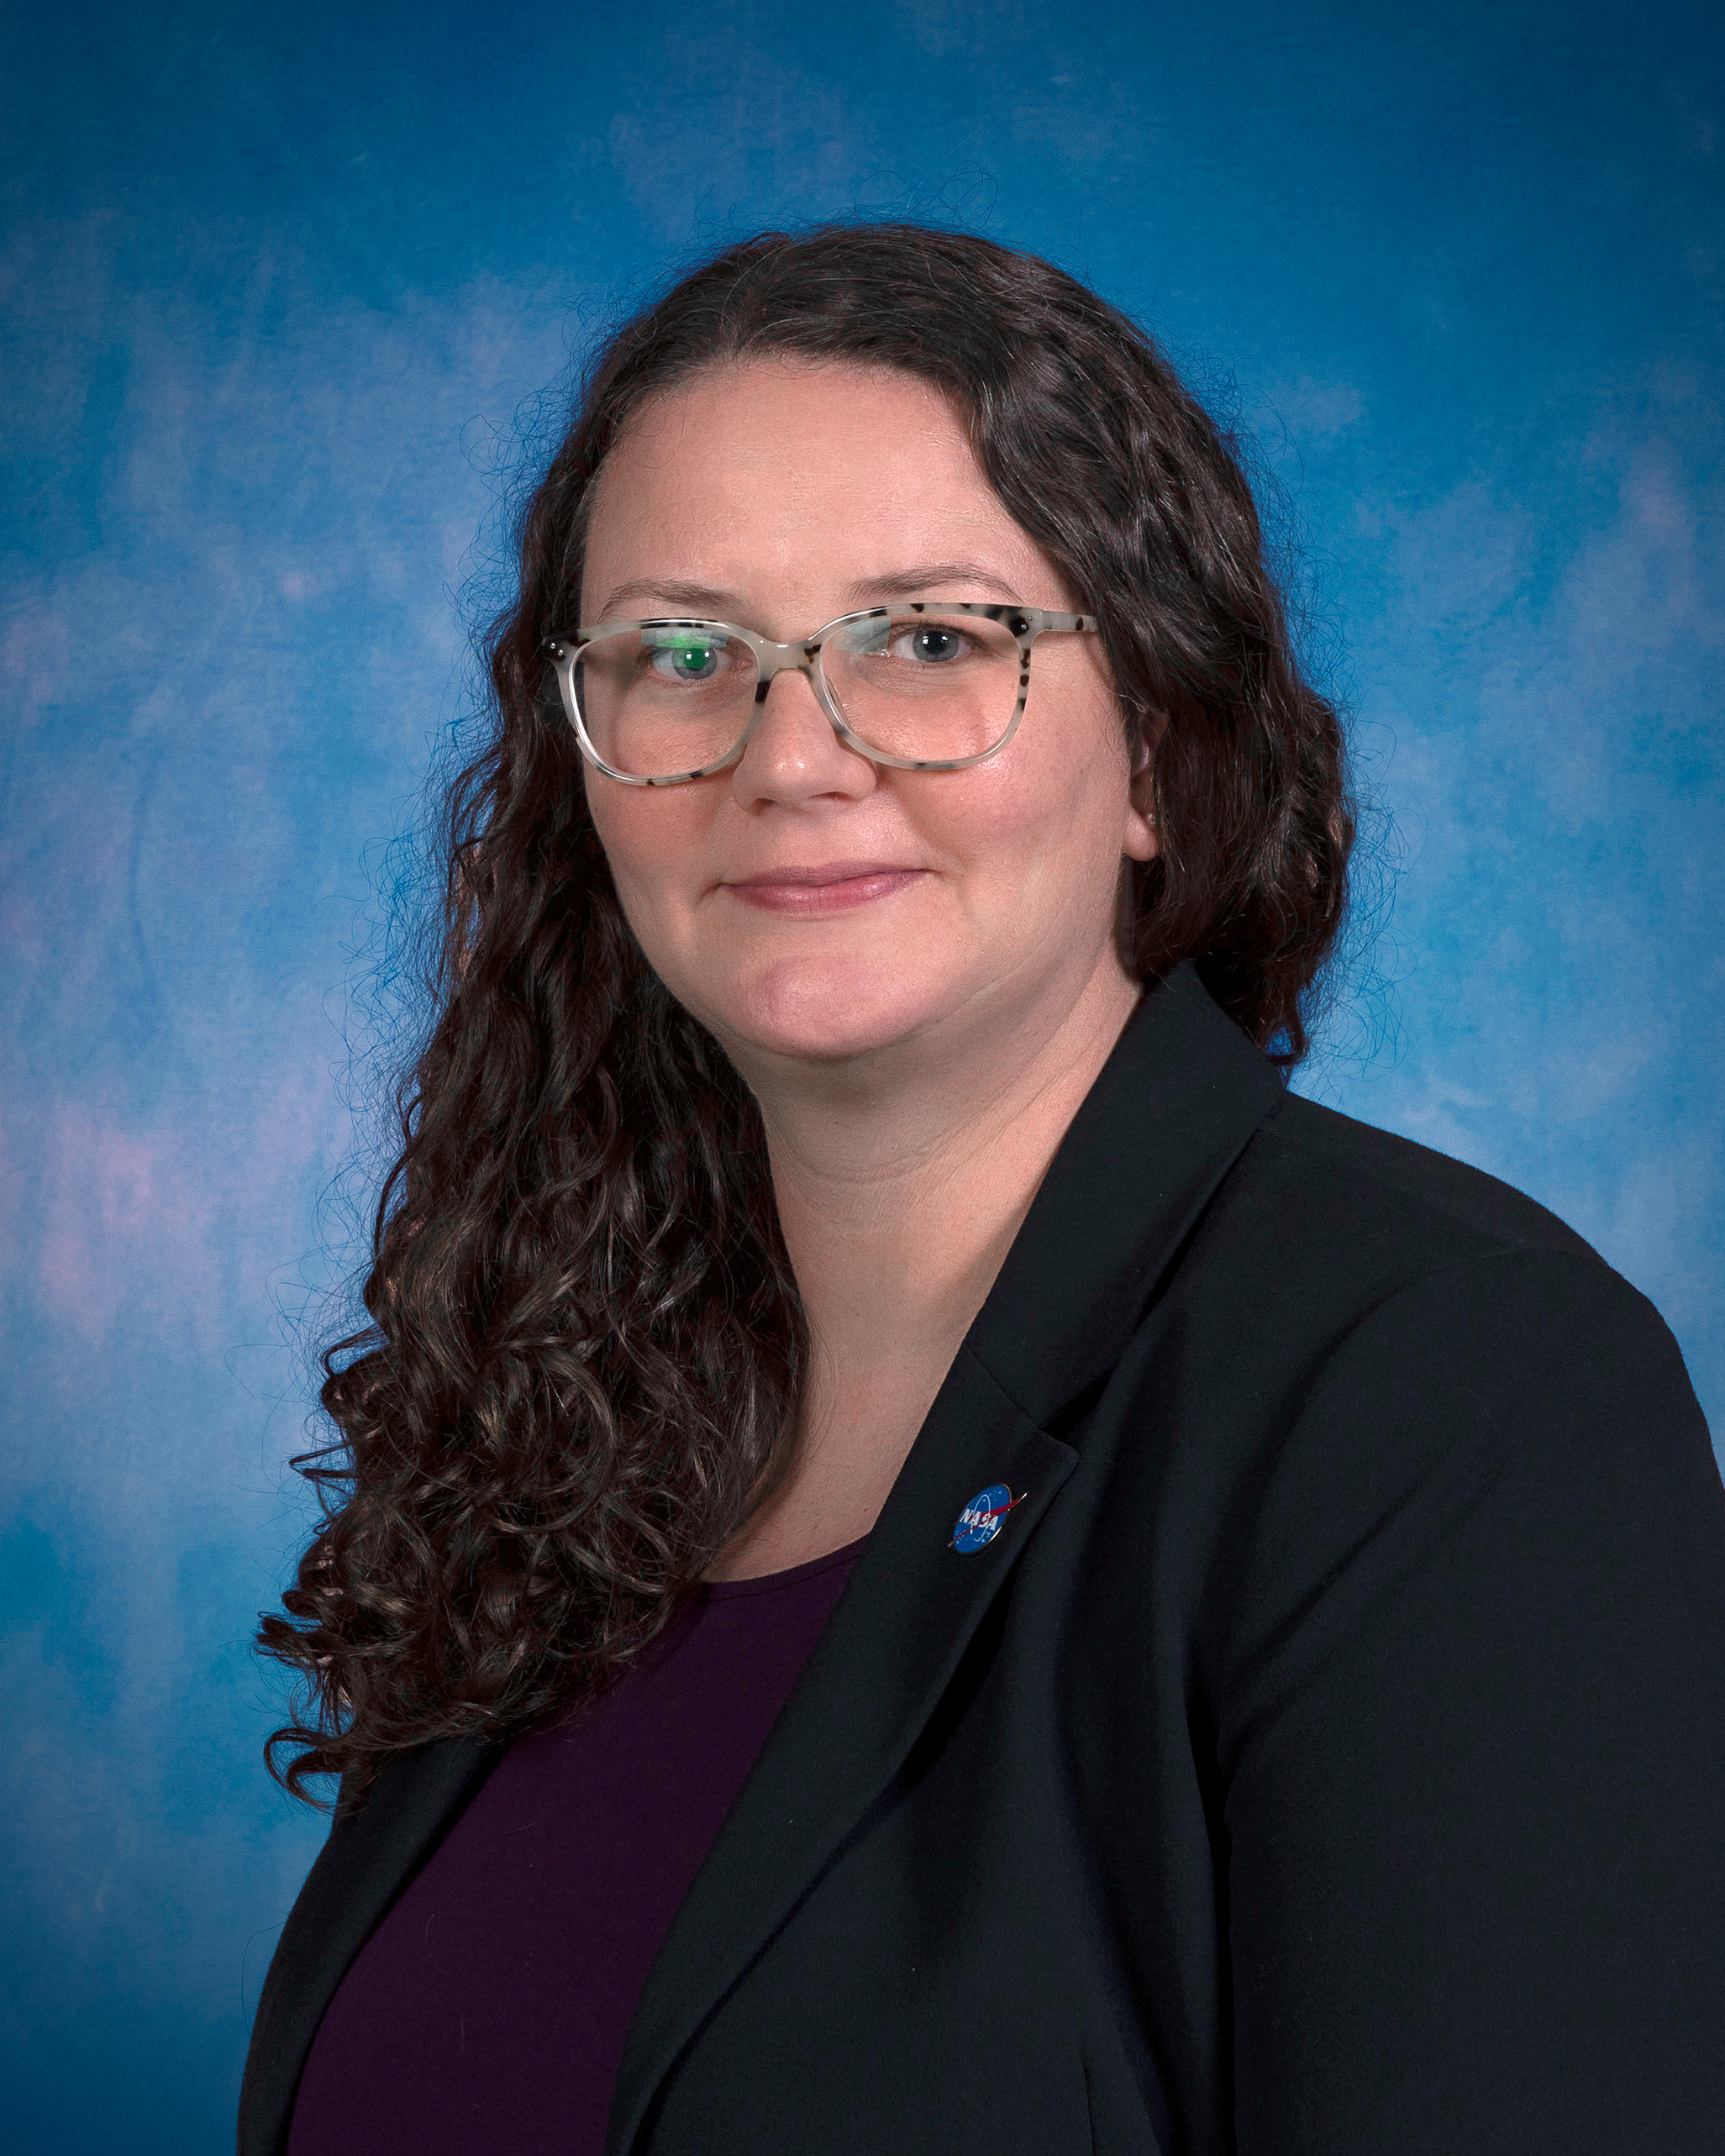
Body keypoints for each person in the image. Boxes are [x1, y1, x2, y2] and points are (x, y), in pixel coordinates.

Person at [240, 223, 1725, 2156]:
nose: (793, 753)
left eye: (930, 640)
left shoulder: (1453, 1399)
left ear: (1160, 755)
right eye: (685, 653)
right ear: (581, 759)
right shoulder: (570, 1413)